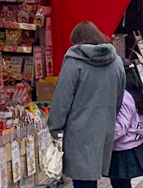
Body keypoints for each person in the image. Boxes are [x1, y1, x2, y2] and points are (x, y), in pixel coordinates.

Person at [48, 21, 125, 188]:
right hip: (104, 127)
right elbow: (119, 98)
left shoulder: (74, 62)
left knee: (82, 179)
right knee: (90, 177)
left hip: (78, 131)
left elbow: (62, 100)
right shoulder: (117, 62)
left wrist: (54, 128)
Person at [109, 61, 143, 188]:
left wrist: (103, 139)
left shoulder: (124, 96)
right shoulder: (138, 92)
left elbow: (121, 126)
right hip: (135, 143)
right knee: (124, 183)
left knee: (119, 183)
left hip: (121, 148)